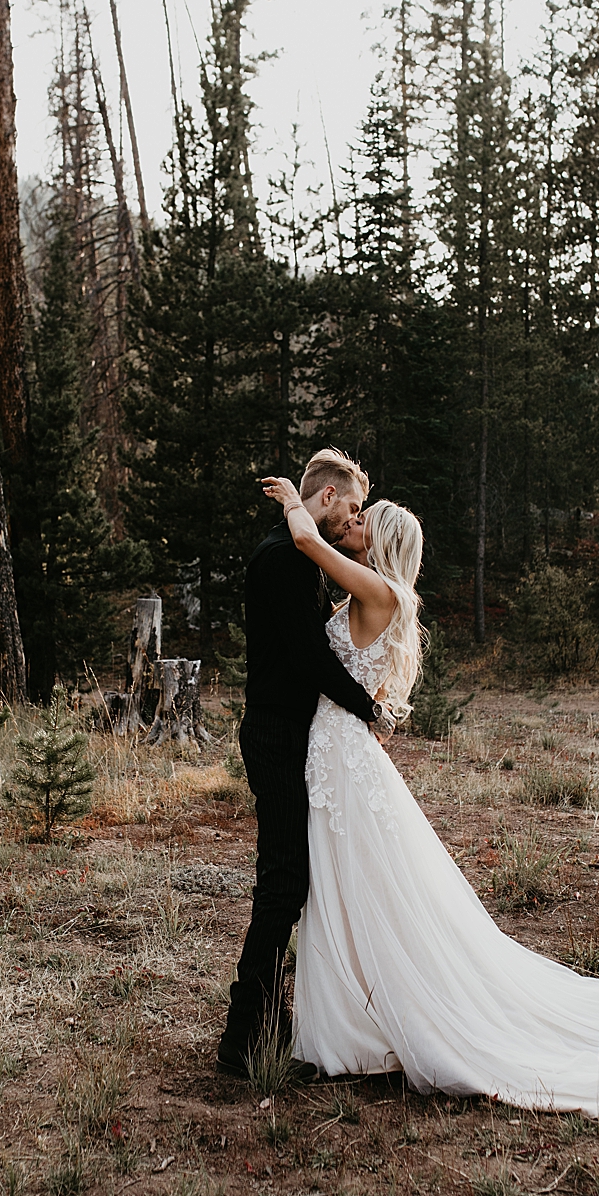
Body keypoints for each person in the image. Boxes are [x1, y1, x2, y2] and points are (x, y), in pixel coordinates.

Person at [256, 473, 599, 1114]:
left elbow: (307, 544)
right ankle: (349, 1020)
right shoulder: (377, 597)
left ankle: (365, 1025)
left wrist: (294, 502)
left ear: (381, 541)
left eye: (363, 519)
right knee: (343, 887)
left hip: (339, 757)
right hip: (335, 752)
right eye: (354, 513)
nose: (352, 522)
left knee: (354, 885)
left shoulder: (379, 590)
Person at [217, 449, 394, 1078]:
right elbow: (307, 658)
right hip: (277, 735)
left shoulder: (295, 554)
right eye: (348, 509)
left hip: (298, 736)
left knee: (292, 883)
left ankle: (272, 1021)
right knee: (283, 884)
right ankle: (245, 1039)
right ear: (323, 500)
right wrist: (368, 710)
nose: (352, 522)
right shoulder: (283, 559)